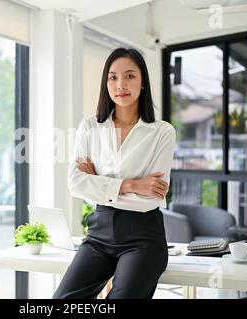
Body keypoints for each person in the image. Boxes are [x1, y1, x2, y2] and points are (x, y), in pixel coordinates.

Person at [53, 47, 176, 299]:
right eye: (113, 77)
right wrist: (132, 185)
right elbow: (76, 184)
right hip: (99, 235)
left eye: (130, 76)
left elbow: (151, 197)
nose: (121, 84)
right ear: (106, 83)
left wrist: (98, 180)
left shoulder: (162, 132)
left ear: (143, 83)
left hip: (143, 239)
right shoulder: (89, 127)